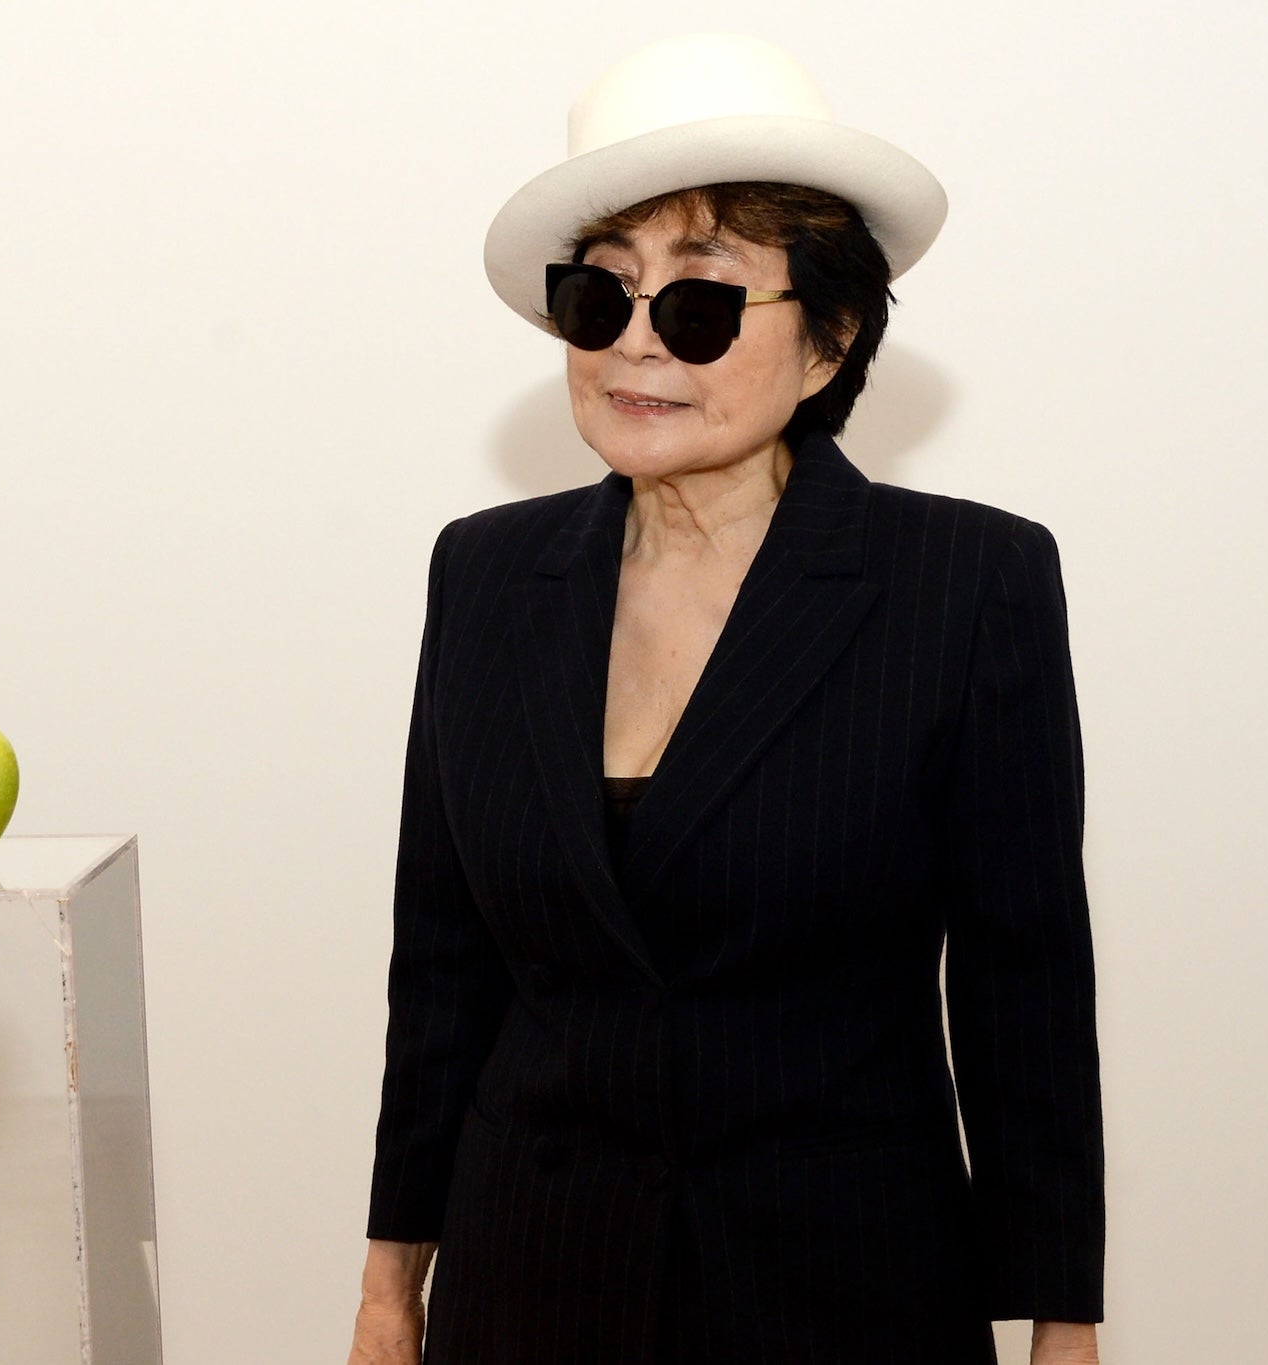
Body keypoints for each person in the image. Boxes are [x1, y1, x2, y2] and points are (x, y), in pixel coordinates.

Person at [349, 33, 1104, 1365]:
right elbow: (444, 968)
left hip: (845, 1294)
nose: (637, 347)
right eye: (602, 298)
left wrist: (1062, 1326)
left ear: (829, 338)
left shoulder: (966, 585)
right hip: (530, 1291)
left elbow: (1022, 988)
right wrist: (387, 1286)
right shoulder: (485, 575)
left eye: (698, 307)